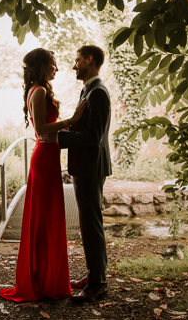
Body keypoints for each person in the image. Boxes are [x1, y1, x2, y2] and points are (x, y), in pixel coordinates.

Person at [0, 48, 86, 302]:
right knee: (43, 220)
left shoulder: (42, 90)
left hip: (50, 156)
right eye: (53, 64)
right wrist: (71, 120)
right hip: (44, 158)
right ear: (41, 66)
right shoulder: (37, 91)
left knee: (49, 219)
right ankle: (39, 281)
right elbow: (40, 128)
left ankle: (49, 279)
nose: (57, 68)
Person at [57, 45, 112, 303]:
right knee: (88, 224)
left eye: (77, 60)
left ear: (90, 60)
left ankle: (97, 284)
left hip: (91, 168)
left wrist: (61, 138)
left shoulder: (98, 93)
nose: (74, 65)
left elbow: (94, 136)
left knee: (92, 225)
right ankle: (93, 276)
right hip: (85, 167)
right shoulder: (88, 90)